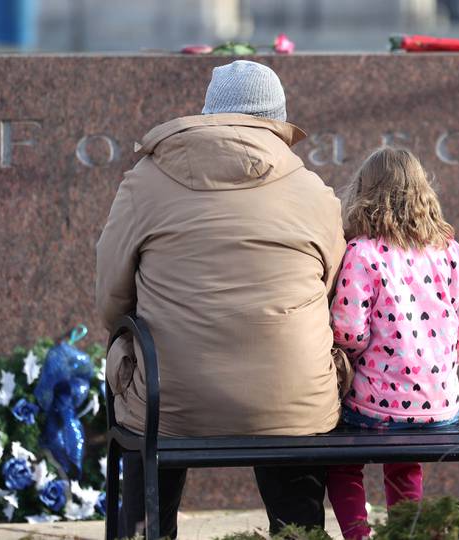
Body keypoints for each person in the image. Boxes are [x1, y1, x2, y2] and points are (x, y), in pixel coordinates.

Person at [96, 60, 346, 538]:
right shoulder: (314, 192)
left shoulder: (145, 182)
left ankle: (149, 530)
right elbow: (330, 289)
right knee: (287, 398)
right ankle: (298, 530)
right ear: (278, 121)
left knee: (147, 395)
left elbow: (111, 292)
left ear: (208, 114)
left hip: (168, 398)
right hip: (293, 399)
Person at [326, 148, 459, 539]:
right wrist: (440, 364)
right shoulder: (451, 252)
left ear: (365, 194)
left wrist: (358, 357)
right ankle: (404, 535)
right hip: (440, 409)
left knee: (340, 460)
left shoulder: (363, 253)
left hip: (373, 406)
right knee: (405, 462)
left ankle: (359, 534)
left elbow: (348, 331)